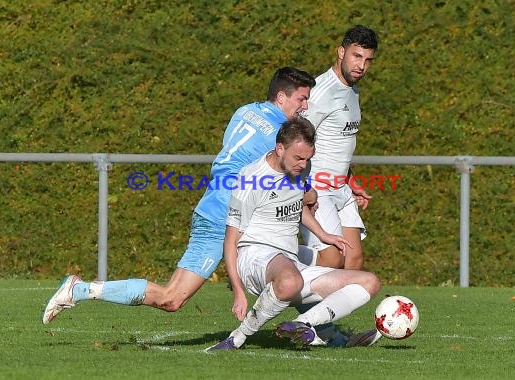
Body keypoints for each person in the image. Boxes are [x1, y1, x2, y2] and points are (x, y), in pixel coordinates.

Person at [42, 67, 317, 325]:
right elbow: (293, 186)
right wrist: (313, 193)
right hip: (224, 215)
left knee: (291, 270)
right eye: (301, 99)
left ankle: (320, 327)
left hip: (212, 205)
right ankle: (79, 289)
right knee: (172, 297)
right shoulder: (283, 136)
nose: (304, 107)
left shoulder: (245, 111)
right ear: (281, 97)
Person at [206, 117, 381, 351]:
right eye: (298, 157)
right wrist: (238, 289)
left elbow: (296, 206)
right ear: (280, 149)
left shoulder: (300, 168)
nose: (303, 164)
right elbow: (230, 239)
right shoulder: (251, 178)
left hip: (289, 260)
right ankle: (237, 337)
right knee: (290, 280)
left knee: (369, 282)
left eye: (308, 158)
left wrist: (324, 235)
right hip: (255, 257)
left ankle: (304, 326)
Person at [298, 24, 379, 271]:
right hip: (317, 187)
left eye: (367, 60)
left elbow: (338, 144)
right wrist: (302, 188)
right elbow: (295, 141)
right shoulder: (321, 91)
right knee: (333, 260)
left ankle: (330, 311)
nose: (361, 66)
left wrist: (352, 182)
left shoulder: (352, 90)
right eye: (356, 56)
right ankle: (273, 255)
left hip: (341, 187)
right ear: (341, 52)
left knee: (353, 259)